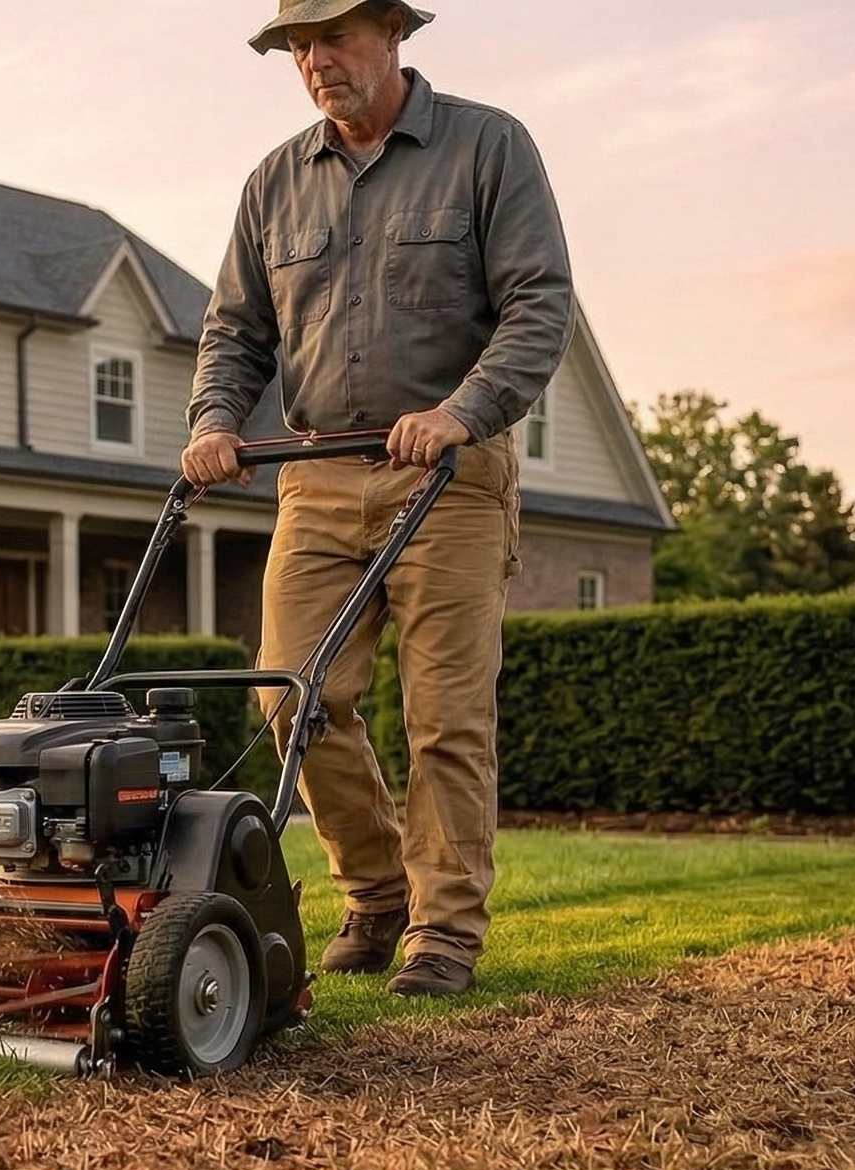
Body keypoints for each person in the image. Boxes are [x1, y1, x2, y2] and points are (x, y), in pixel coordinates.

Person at [185, 0, 572, 997]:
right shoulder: (274, 183)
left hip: (446, 473)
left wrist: (462, 410)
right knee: (288, 696)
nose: (314, 60)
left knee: (443, 715)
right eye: (296, 46)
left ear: (392, 34)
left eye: (334, 37)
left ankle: (443, 930)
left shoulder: (486, 147)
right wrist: (213, 422)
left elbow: (537, 302)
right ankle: (374, 888)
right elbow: (234, 329)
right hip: (316, 474)